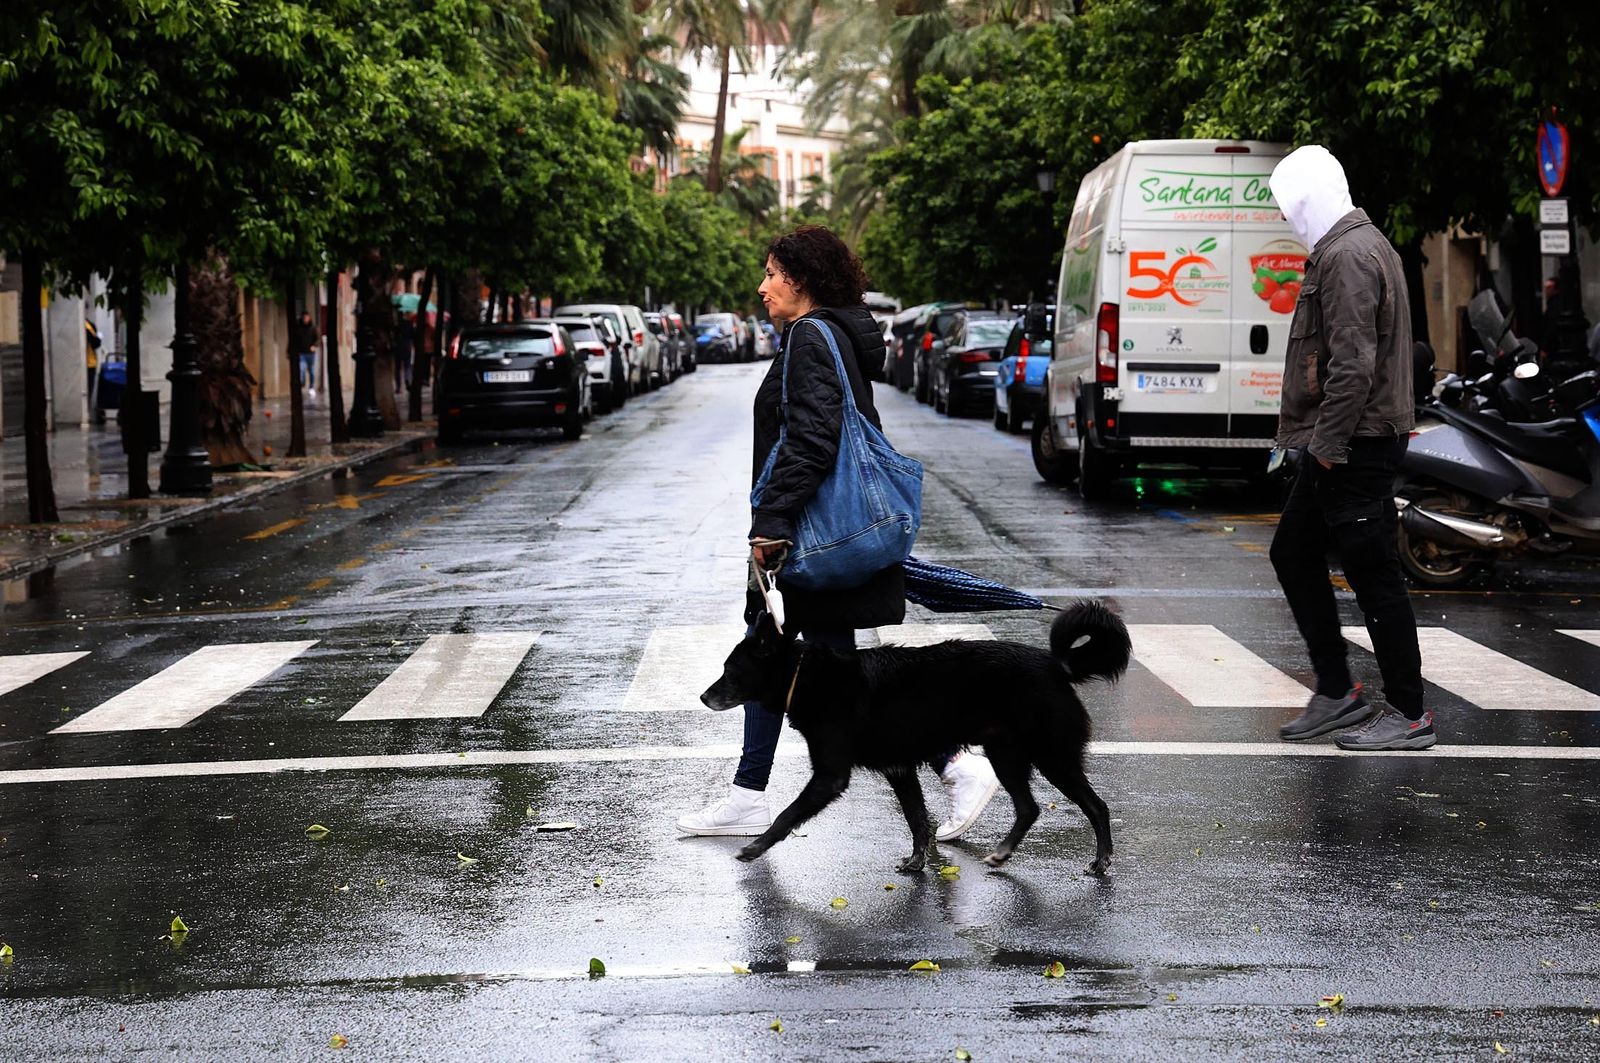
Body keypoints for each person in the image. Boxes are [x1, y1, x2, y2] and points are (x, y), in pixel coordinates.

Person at [677, 225, 1000, 838]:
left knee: (821, 673)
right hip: (813, 533)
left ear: (799, 280)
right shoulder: (830, 336)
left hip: (811, 536)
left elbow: (815, 437)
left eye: (771, 273)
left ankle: (956, 762)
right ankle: (749, 793)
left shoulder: (810, 337)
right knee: (773, 651)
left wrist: (773, 520)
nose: (762, 286)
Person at [1267, 146, 1433, 751]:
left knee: (1374, 577)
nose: (1289, 219)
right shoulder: (1352, 247)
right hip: (1342, 441)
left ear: (1311, 199)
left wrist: (1328, 448)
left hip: (1353, 445)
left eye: (1291, 207)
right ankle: (1338, 689)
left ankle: (1409, 712)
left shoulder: (1348, 256)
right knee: (1293, 552)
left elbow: (1354, 366)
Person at [292, 310, 320, 398]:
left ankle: (311, 387)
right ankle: (302, 382)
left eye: (306, 317)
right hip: (301, 353)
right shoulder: (298, 328)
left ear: (309, 318)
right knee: (302, 369)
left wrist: (314, 346)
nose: (305, 319)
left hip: (311, 354)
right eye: (304, 317)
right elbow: (294, 340)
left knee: (311, 371)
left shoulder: (313, 328)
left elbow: (318, 339)